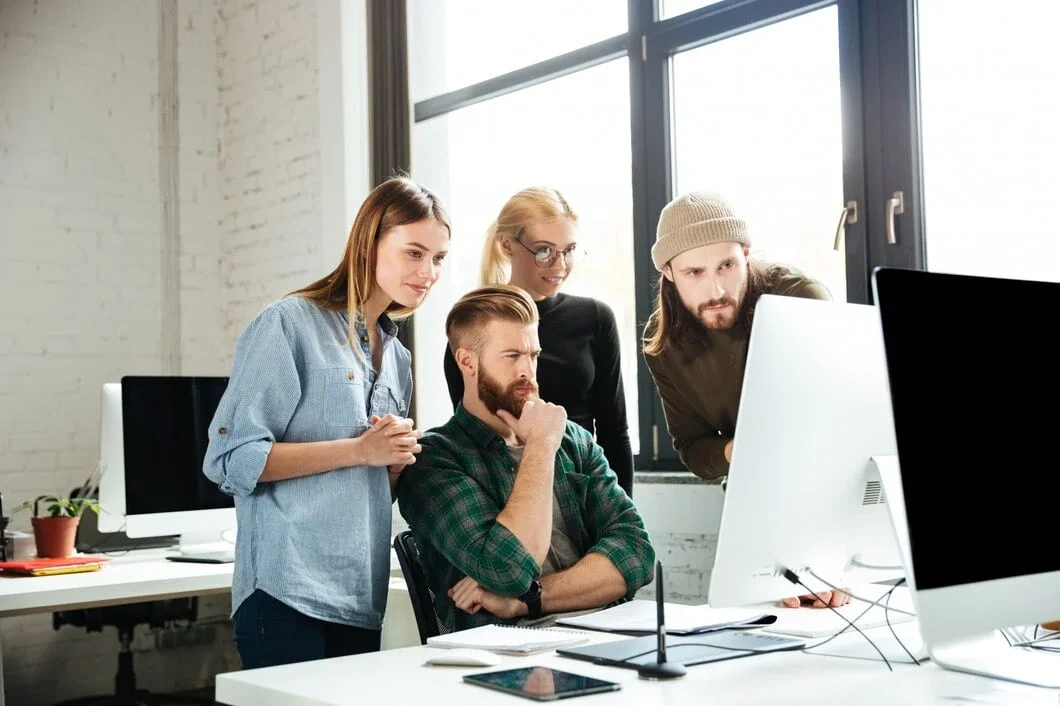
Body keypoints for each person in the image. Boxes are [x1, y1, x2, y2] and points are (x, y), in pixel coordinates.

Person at [202, 176, 451, 668]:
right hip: (284, 591)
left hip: (360, 595)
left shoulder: (397, 357)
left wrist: (395, 462)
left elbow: (371, 484)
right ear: (369, 242)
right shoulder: (288, 324)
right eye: (414, 253)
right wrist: (359, 450)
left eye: (438, 258)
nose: (428, 272)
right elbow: (230, 461)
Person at [400, 285, 655, 632]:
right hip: (507, 651)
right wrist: (539, 448)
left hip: (605, 628)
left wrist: (527, 600)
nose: (528, 371)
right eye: (512, 356)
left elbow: (637, 553)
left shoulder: (571, 440)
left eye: (533, 355)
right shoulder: (434, 459)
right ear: (467, 362)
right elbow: (508, 569)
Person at [642, 191, 847, 609]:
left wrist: (836, 555)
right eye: (694, 272)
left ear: (747, 254)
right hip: (752, 505)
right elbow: (694, 451)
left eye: (727, 266)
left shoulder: (801, 299)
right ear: (668, 273)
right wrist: (738, 450)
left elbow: (843, 434)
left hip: (834, 502)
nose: (716, 289)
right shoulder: (663, 344)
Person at [442, 187, 634, 497]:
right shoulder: (473, 333)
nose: (560, 266)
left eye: (569, 250)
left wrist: (622, 515)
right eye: (544, 250)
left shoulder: (596, 318)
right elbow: (476, 442)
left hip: (589, 495)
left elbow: (615, 433)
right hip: (514, 497)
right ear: (507, 245)